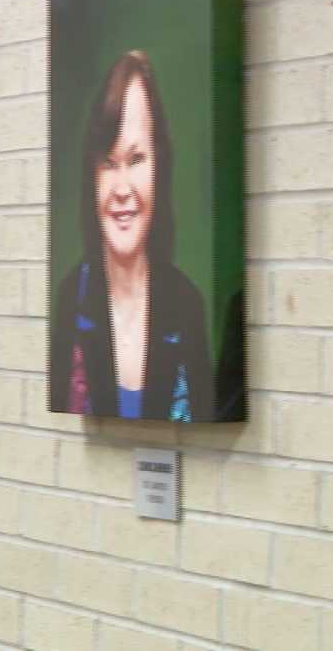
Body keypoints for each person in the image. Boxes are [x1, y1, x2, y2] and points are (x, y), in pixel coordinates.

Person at [50, 50, 214, 421]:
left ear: (160, 167)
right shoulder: (69, 300)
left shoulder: (188, 307)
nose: (122, 187)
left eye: (137, 159)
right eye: (108, 163)